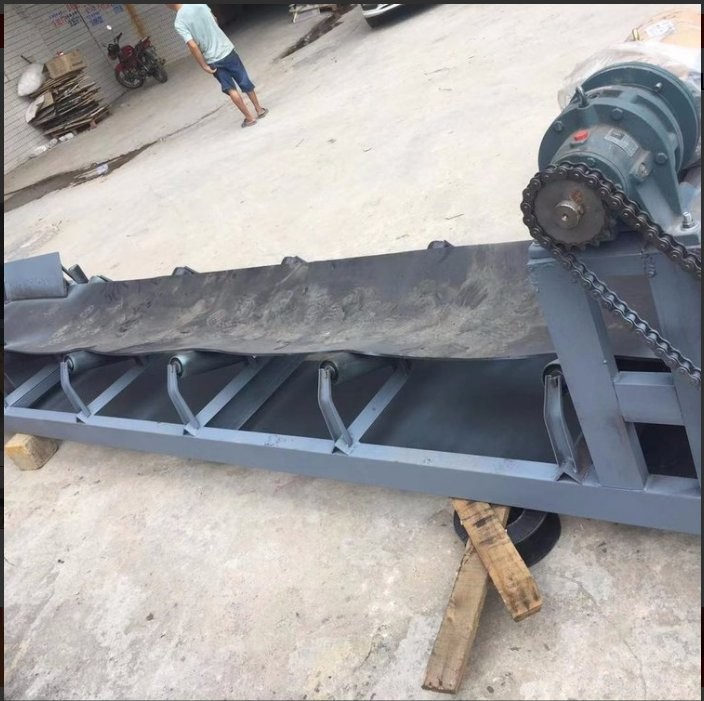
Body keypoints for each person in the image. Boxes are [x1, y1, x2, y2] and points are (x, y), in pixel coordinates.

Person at [167, 4, 268, 128]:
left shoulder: (179, 22)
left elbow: (192, 45)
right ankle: (259, 109)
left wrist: (203, 65)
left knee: (230, 89)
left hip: (213, 60)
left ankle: (249, 118)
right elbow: (214, 19)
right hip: (227, 49)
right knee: (243, 79)